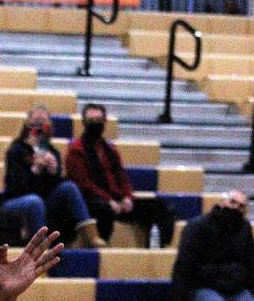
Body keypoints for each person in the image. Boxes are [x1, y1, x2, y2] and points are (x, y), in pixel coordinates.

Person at [0, 108, 104, 250]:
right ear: (28, 125)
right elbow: (15, 187)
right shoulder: (16, 150)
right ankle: (42, 248)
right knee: (34, 201)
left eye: (44, 122)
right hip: (15, 201)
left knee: (69, 187)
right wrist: (35, 170)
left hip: (42, 202)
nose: (39, 127)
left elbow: (51, 188)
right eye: (36, 122)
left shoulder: (51, 151)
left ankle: (90, 235)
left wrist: (54, 172)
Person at [66, 102, 176, 247]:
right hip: (92, 201)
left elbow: (122, 177)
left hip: (116, 200)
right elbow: (83, 184)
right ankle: (101, 250)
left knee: (161, 208)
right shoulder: (76, 150)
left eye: (99, 120)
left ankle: (158, 247)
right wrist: (108, 200)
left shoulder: (110, 149)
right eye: (91, 121)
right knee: (104, 209)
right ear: (84, 123)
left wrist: (127, 197)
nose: (95, 124)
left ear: (104, 122)